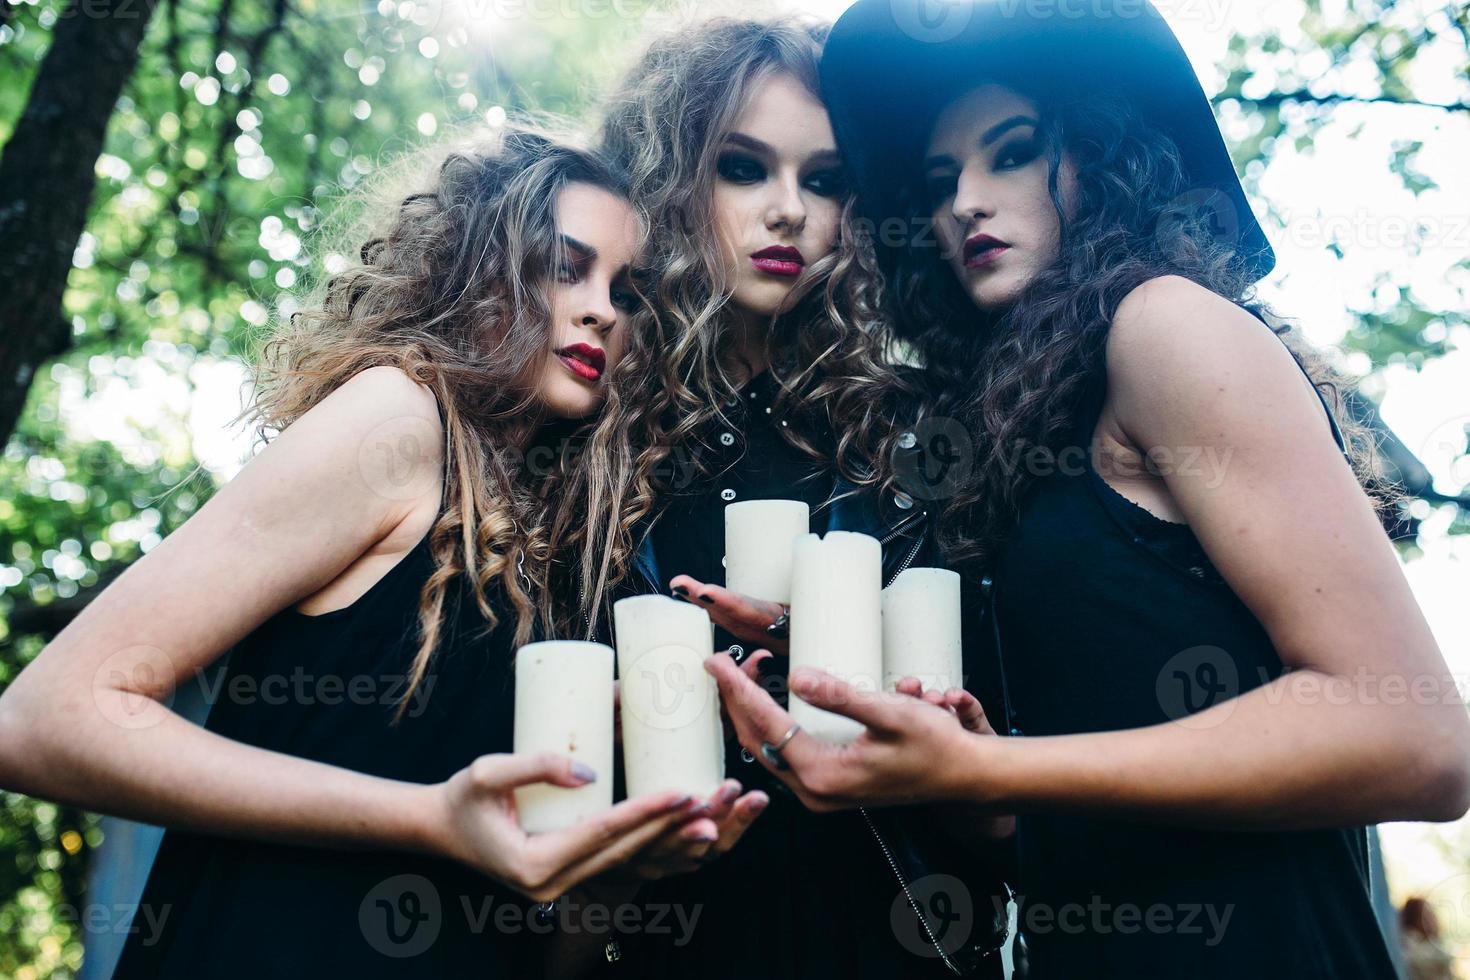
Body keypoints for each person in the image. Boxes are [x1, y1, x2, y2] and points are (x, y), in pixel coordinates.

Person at [703, 1, 1470, 977]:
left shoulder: (1165, 326)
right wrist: (978, 795)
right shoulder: (1039, 418)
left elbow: (1415, 733)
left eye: (1013, 152)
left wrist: (997, 765)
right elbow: (1093, 805)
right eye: (939, 181)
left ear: (1101, 164)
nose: (965, 201)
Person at [0, 126, 718, 977]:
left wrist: (624, 866)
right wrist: (427, 818)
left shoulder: (575, 548)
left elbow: (536, 935)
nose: (603, 307)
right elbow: (42, 722)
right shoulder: (397, 419)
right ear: (475, 269)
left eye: (628, 293)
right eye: (563, 267)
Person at [557, 15, 1010, 978]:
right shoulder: (582, 437)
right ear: (671, 181)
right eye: (742, 167)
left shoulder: (926, 433)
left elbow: (1009, 802)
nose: (788, 210)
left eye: (825, 179)